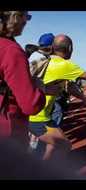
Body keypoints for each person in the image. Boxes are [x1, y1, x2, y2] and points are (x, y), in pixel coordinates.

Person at [0, 11, 53, 149]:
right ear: (16, 17)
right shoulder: (11, 50)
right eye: (26, 16)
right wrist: (39, 87)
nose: (26, 21)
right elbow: (31, 105)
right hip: (8, 135)